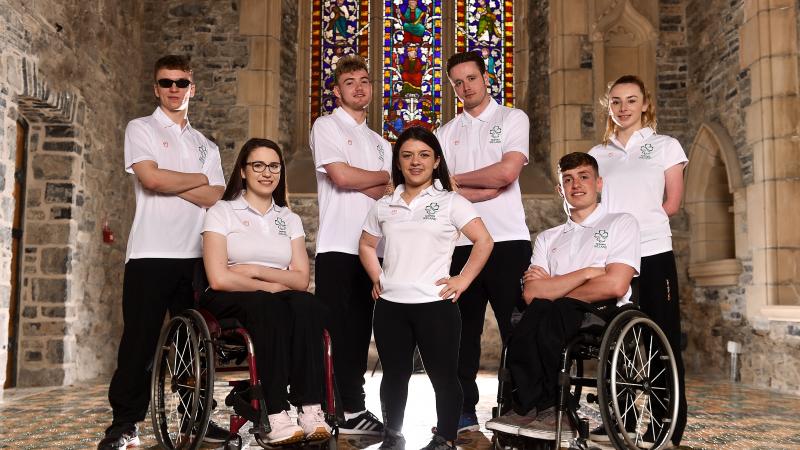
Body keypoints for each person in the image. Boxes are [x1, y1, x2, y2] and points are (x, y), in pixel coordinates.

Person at [99, 55, 227, 449]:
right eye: (166, 82)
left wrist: (178, 182)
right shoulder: (142, 128)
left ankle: (195, 421)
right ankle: (124, 425)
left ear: (193, 87)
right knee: (138, 343)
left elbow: (217, 196)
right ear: (156, 88)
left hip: (195, 256)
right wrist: (196, 181)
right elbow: (151, 179)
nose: (174, 89)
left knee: (195, 346)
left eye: (181, 82)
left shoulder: (207, 145)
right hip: (149, 254)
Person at [486, 152, 640, 440]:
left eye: (584, 177)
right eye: (568, 179)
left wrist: (555, 285)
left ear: (599, 183)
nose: (576, 185)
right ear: (560, 189)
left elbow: (616, 285)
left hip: (603, 312)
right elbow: (532, 292)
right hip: (551, 311)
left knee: (551, 310)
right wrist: (587, 272)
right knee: (526, 320)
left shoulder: (621, 223)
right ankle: (526, 407)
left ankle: (553, 410)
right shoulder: (548, 238)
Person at [359, 127, 494, 450]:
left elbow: (484, 241)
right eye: (407, 155)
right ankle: (394, 435)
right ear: (398, 162)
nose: (415, 162)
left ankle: (445, 438)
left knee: (444, 377)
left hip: (435, 306)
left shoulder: (451, 202)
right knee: (394, 376)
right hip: (391, 307)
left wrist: (462, 280)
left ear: (436, 162)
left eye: (423, 155)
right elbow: (366, 244)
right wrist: (378, 277)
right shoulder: (384, 205)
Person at [201, 138, 331, 445]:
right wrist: (274, 284)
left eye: (273, 166)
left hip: (271, 293)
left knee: (308, 305)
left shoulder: (289, 219)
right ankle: (275, 413)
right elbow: (219, 277)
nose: (266, 172)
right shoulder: (222, 211)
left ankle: (311, 409)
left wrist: (256, 271)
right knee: (268, 305)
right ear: (244, 171)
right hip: (227, 297)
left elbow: (300, 280)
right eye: (257, 165)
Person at [587, 74, 688, 447]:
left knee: (661, 339)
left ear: (645, 103)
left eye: (631, 100)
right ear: (608, 106)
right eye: (616, 101)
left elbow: (672, 202)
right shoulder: (598, 155)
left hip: (653, 251)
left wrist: (640, 230)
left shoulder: (665, 146)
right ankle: (622, 421)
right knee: (618, 342)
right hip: (614, 258)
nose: (623, 108)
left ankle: (666, 426)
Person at [435, 50, 532, 432]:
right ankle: (462, 412)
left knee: (517, 328)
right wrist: (480, 186)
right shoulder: (444, 133)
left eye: (471, 78)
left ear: (485, 78)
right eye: (457, 82)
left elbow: (507, 172)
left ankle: (519, 407)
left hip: (508, 240)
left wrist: (458, 184)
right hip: (461, 246)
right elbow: (441, 190)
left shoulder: (512, 118)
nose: (465, 87)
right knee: (462, 334)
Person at [310, 54, 392, 435]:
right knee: (335, 332)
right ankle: (330, 408)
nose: (358, 87)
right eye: (349, 82)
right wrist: (379, 180)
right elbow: (341, 177)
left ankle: (354, 408)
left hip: (372, 250)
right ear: (337, 90)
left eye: (364, 80)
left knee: (361, 332)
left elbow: (387, 194)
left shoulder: (380, 143)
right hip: (337, 247)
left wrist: (376, 182)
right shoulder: (326, 126)